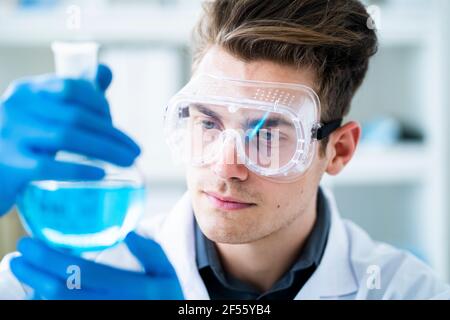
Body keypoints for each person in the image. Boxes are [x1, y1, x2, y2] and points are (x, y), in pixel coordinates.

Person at [0, 0, 449, 300]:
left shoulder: (405, 290)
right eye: (208, 123)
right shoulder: (84, 273)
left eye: (270, 135)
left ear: (338, 150)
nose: (226, 165)